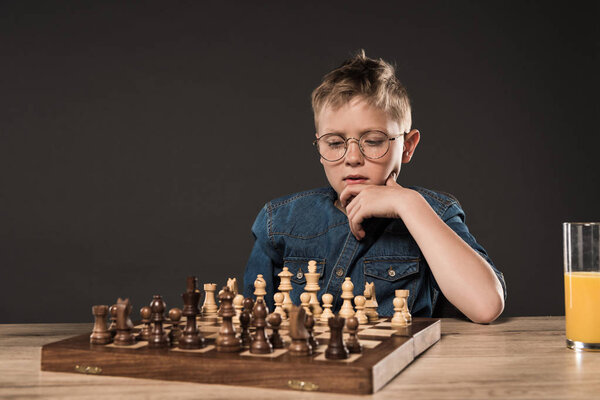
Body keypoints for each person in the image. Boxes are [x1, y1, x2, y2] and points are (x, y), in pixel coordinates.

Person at [243, 50, 506, 323]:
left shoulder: (434, 212)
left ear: (408, 146)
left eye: (373, 141)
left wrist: (408, 203)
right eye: (335, 143)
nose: (353, 158)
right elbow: (253, 322)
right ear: (319, 147)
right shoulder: (280, 221)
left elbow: (485, 306)